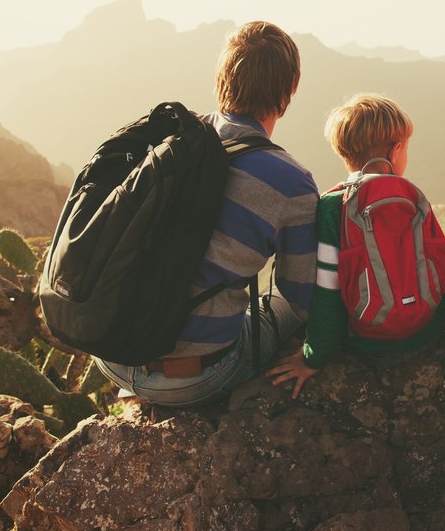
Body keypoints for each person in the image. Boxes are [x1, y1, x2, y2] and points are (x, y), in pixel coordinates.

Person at [94, 21, 318, 406]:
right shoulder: (292, 182)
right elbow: (300, 294)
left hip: (111, 352)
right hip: (196, 379)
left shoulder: (170, 139)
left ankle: (137, 384)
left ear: (221, 78)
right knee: (280, 305)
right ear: (290, 90)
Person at [267, 94, 445, 398]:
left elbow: (327, 291)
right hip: (426, 332)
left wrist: (314, 357)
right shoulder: (413, 196)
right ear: (397, 149)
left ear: (343, 152)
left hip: (370, 343)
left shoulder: (332, 206)